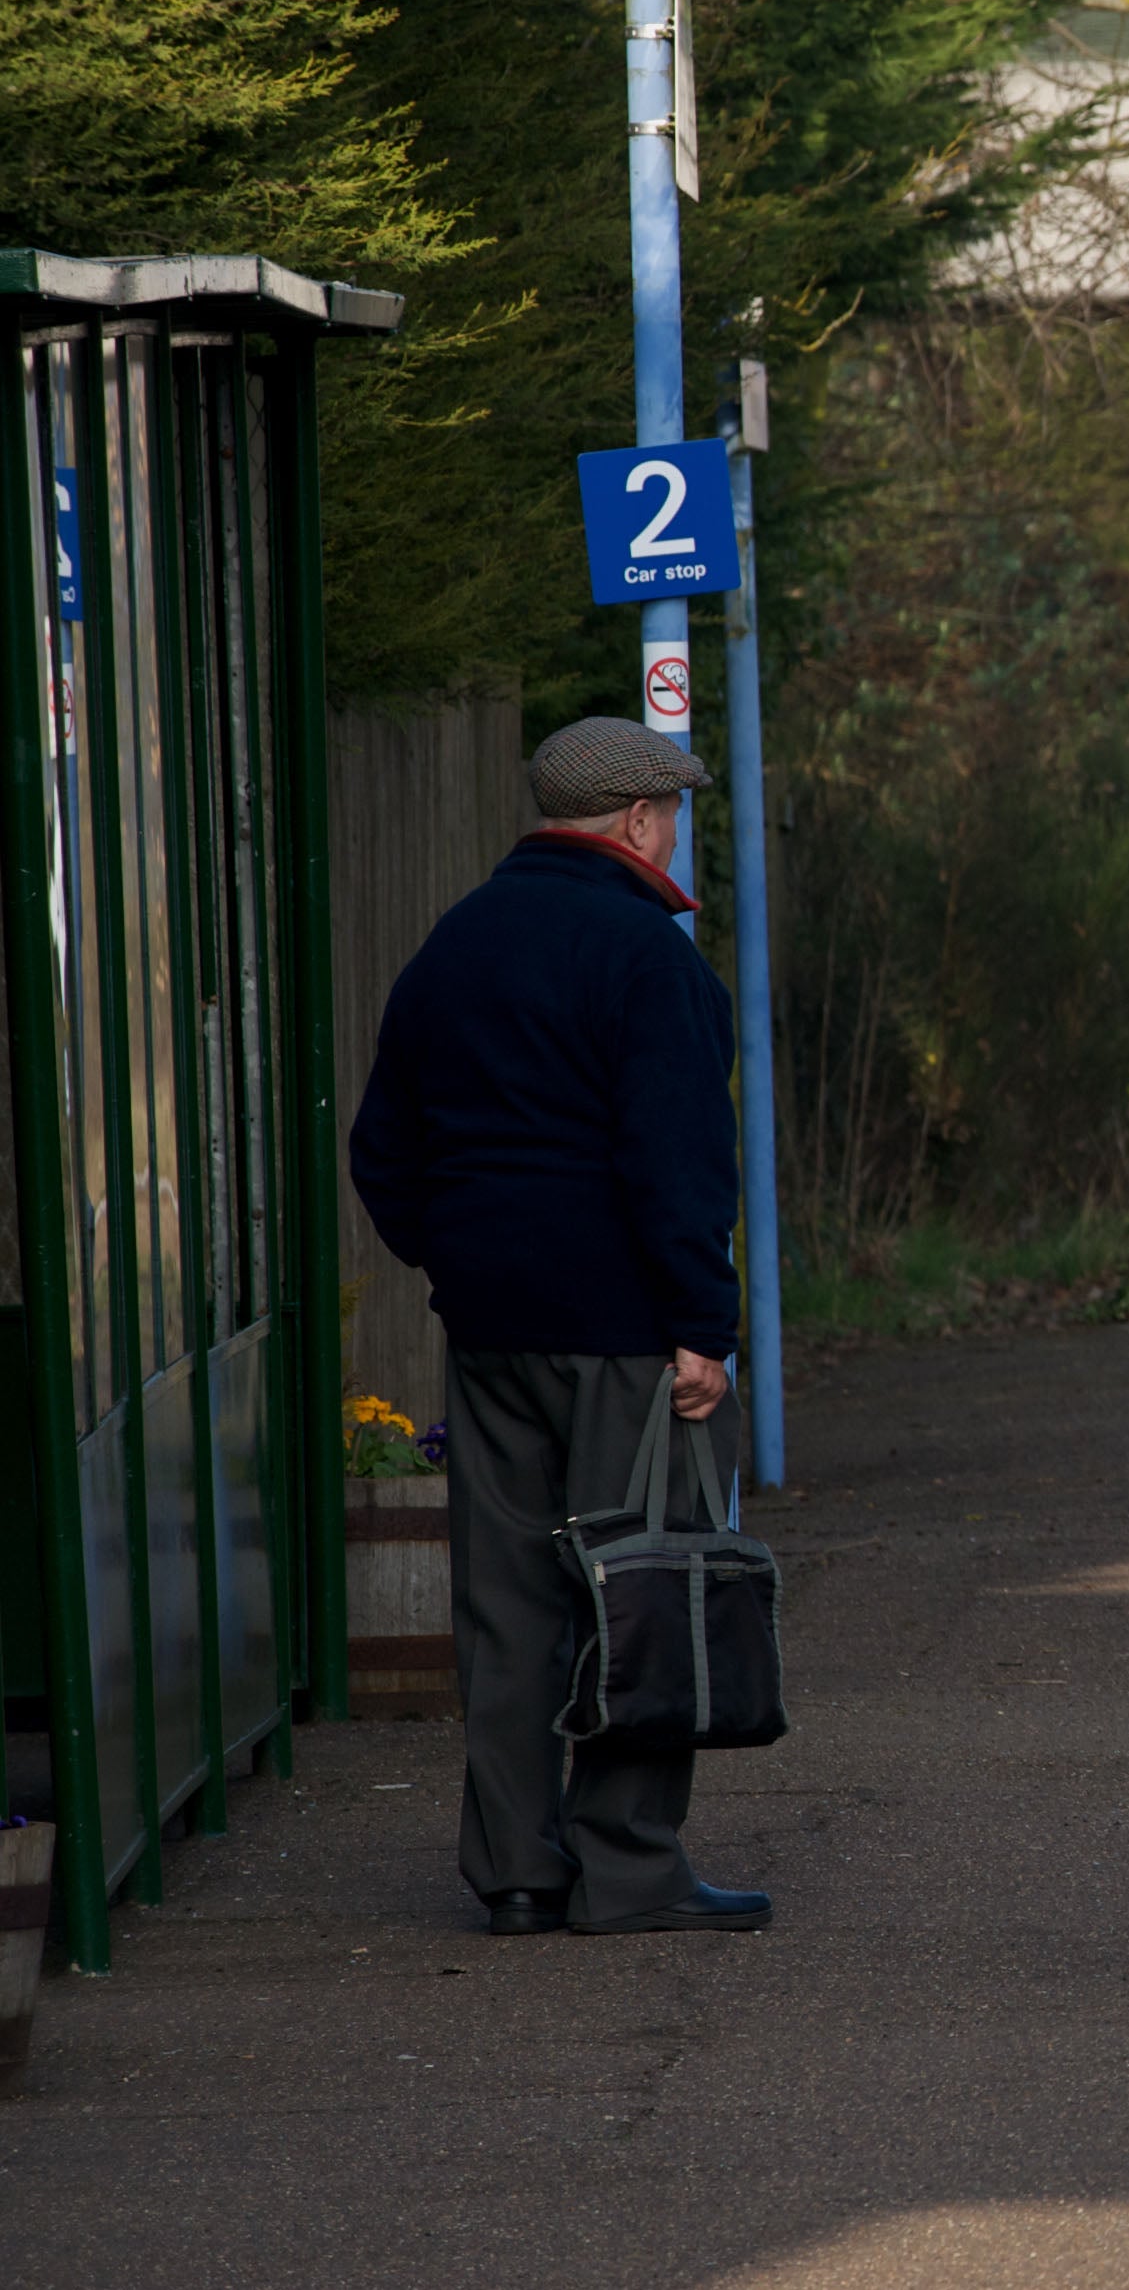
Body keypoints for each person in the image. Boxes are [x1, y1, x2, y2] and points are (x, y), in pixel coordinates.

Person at [348, 716, 769, 1938]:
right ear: (640, 820)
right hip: (629, 1335)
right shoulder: (649, 957)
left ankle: (517, 1868)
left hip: (490, 1334)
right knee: (646, 1582)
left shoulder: (453, 947)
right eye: (671, 813)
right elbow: (676, 1161)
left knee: (507, 1601)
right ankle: (629, 1864)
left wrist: (463, 1260)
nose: (673, 831)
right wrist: (703, 1325)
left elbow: (384, 1152)